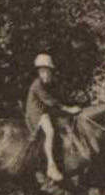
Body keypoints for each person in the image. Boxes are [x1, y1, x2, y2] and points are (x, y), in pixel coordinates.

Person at [25, 53, 78, 185]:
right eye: (42, 71)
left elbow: (58, 97)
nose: (45, 74)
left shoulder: (51, 82)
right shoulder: (37, 85)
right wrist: (68, 109)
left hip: (47, 112)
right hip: (37, 114)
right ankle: (51, 166)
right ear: (38, 72)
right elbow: (50, 101)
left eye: (47, 71)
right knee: (50, 132)